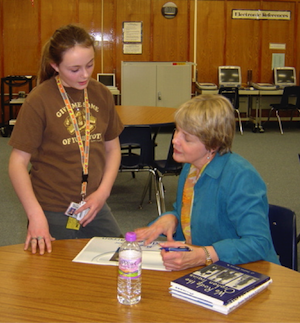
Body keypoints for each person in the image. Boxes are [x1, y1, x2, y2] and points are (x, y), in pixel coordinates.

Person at [8, 24, 123, 255]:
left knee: (119, 260)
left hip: (94, 205)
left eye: (89, 65)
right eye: (74, 69)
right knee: (53, 277)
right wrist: (35, 215)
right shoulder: (39, 100)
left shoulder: (101, 94)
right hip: (50, 207)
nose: (85, 75)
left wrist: (103, 193)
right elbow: (17, 164)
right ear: (55, 66)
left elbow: (113, 150)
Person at [135, 94, 280, 271]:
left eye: (187, 138)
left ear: (213, 145)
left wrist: (204, 255)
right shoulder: (192, 167)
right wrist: (172, 218)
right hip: (205, 268)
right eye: (177, 130)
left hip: (248, 269)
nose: (175, 140)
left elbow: (258, 243)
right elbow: (192, 212)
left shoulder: (241, 177)